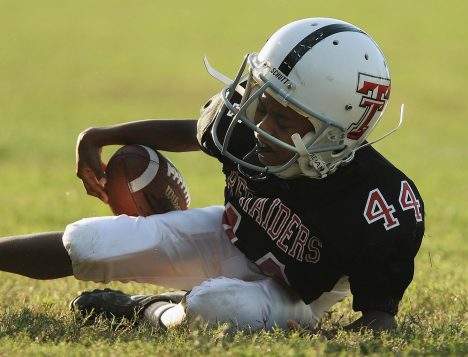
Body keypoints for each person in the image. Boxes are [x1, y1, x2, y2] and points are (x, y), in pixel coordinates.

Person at [0, 17, 424, 333]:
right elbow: (193, 132)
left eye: (284, 120)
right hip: (232, 236)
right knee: (89, 243)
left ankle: (146, 308)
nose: (261, 125)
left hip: (299, 295)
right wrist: (103, 135)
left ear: (337, 135)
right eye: (262, 104)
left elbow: (379, 320)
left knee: (214, 308)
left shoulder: (377, 202)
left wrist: (324, 336)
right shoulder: (254, 122)